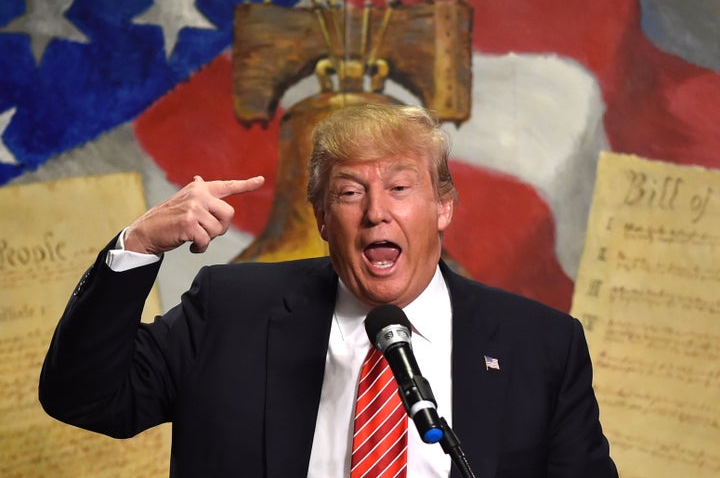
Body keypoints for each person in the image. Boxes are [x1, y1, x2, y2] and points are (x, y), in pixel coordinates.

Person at [39, 103, 617, 477]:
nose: (376, 215)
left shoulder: (541, 347)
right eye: (348, 193)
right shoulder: (230, 311)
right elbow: (83, 397)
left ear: (443, 206)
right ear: (319, 217)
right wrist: (138, 245)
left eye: (399, 187)